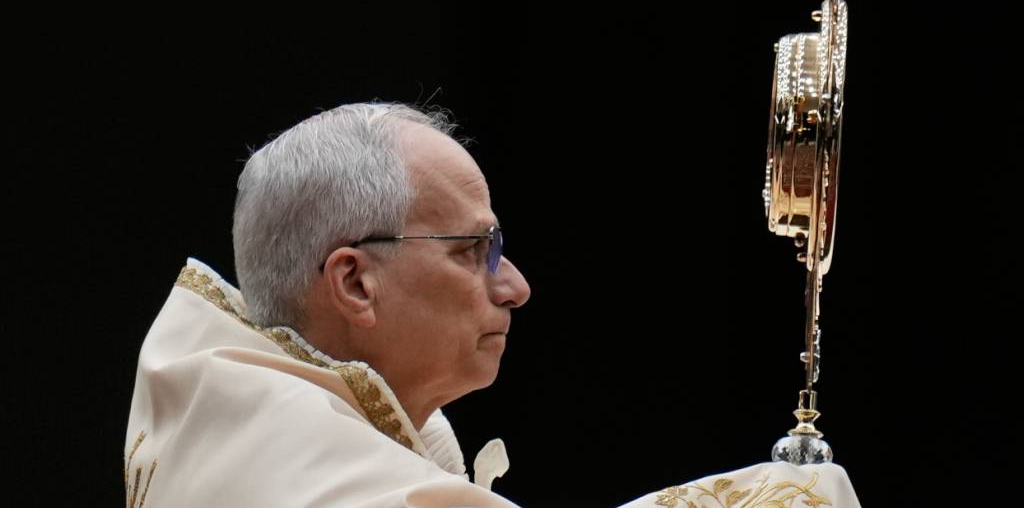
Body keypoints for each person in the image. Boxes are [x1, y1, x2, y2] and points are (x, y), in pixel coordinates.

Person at [125, 102, 862, 507]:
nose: (514, 286)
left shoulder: (245, 422)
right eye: (471, 252)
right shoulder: (289, 468)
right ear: (354, 282)